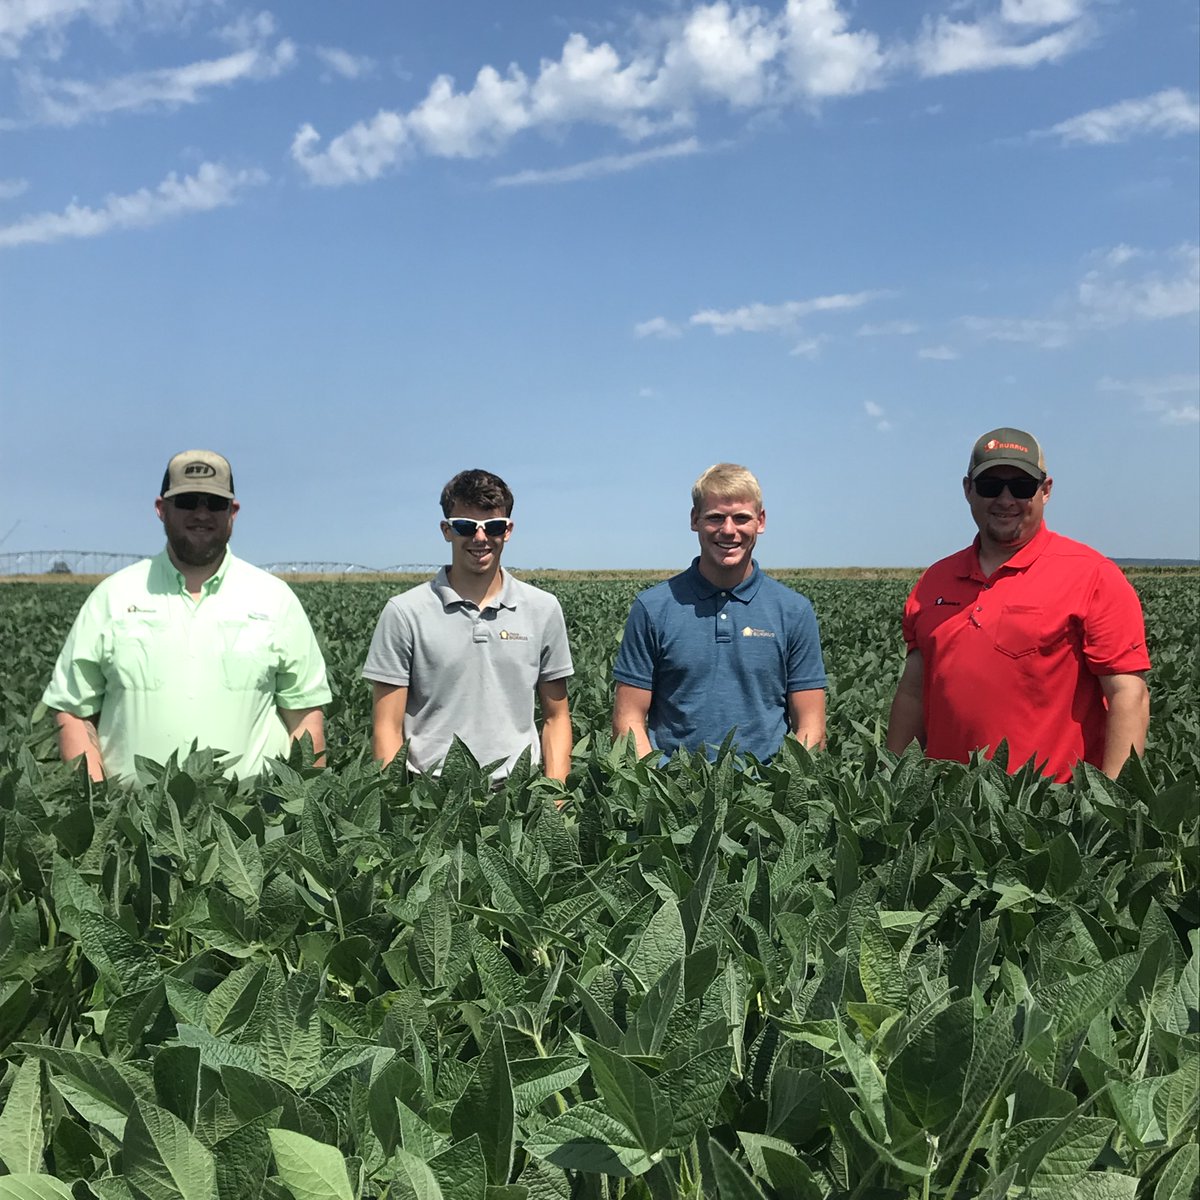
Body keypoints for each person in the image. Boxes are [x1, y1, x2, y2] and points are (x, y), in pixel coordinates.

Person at [43, 450, 331, 783]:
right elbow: (74, 712)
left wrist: (298, 806)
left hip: (254, 823)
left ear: (233, 512)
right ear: (161, 509)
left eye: (214, 502)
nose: (201, 513)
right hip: (132, 825)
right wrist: (96, 808)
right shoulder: (112, 597)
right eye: (188, 501)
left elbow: (305, 719)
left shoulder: (276, 600)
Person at [886, 426, 1150, 782]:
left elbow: (1127, 696)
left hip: (1048, 809)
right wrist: (894, 787)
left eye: (1022, 487)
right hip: (945, 805)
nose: (1006, 500)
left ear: (1046, 490)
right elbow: (913, 694)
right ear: (968, 490)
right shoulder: (934, 580)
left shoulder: (1093, 575)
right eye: (991, 486)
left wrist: (1112, 803)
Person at [363, 469, 574, 782]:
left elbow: (556, 718)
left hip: (518, 795)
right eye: (465, 526)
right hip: (429, 795)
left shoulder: (543, 609)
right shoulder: (405, 612)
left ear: (508, 530)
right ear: (447, 530)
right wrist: (397, 804)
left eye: (493, 526)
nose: (480, 538)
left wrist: (555, 795)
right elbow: (386, 727)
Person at [612, 463, 826, 762]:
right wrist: (654, 787)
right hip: (673, 793)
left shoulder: (793, 611)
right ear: (694, 520)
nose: (729, 530)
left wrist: (786, 788)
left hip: (764, 794)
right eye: (715, 518)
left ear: (760, 521)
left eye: (741, 518)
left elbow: (811, 726)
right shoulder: (653, 607)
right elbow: (629, 719)